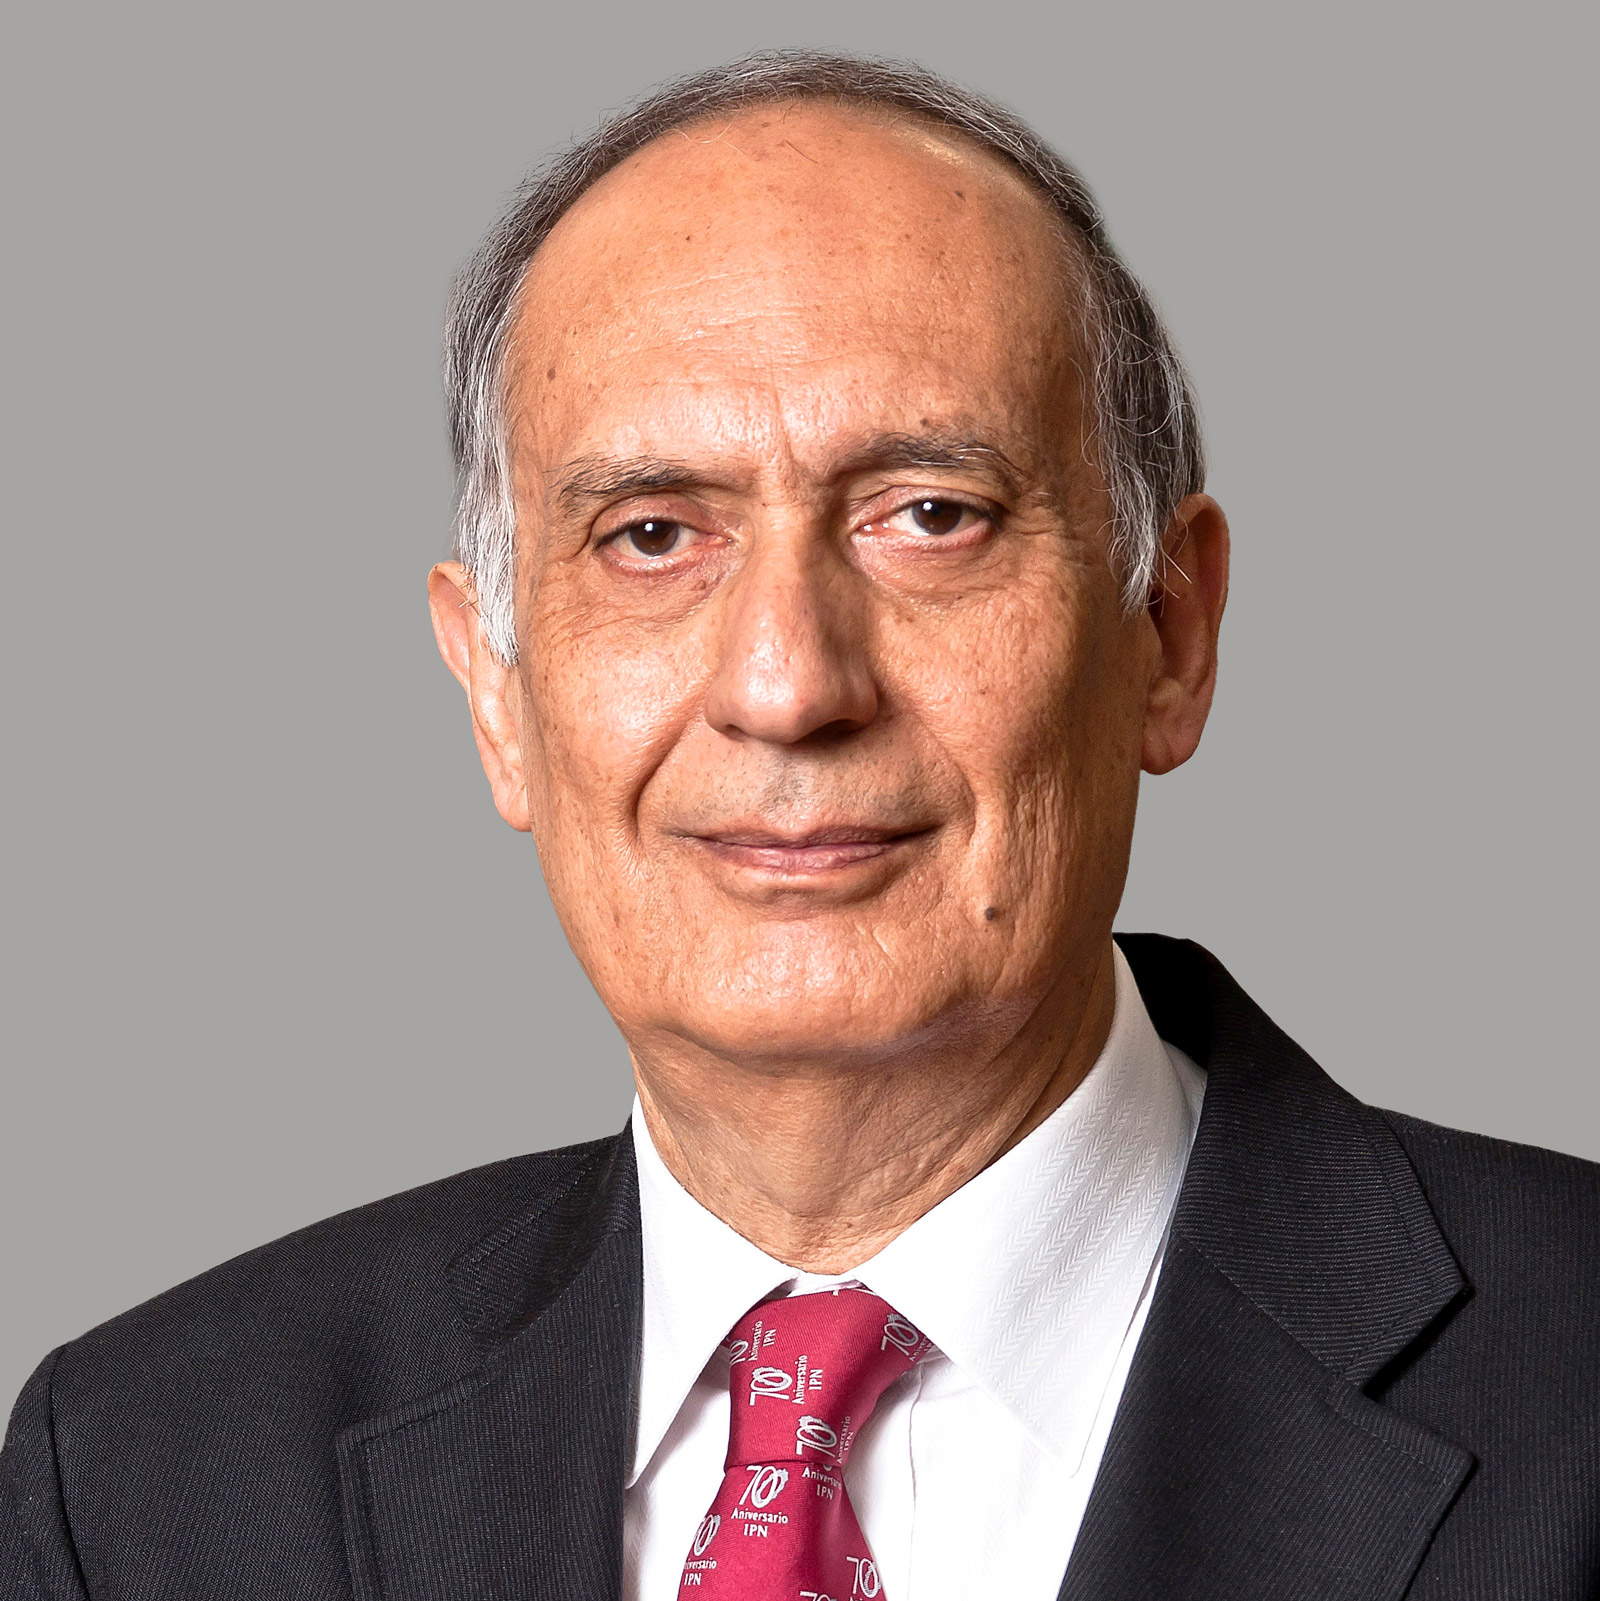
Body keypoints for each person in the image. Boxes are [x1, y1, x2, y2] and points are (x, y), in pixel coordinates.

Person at [3, 48, 1596, 1601]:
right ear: (496, 691)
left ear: (1169, 633)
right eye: (650, 535)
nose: (785, 683)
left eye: (929, 515)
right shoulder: (147, 1479)